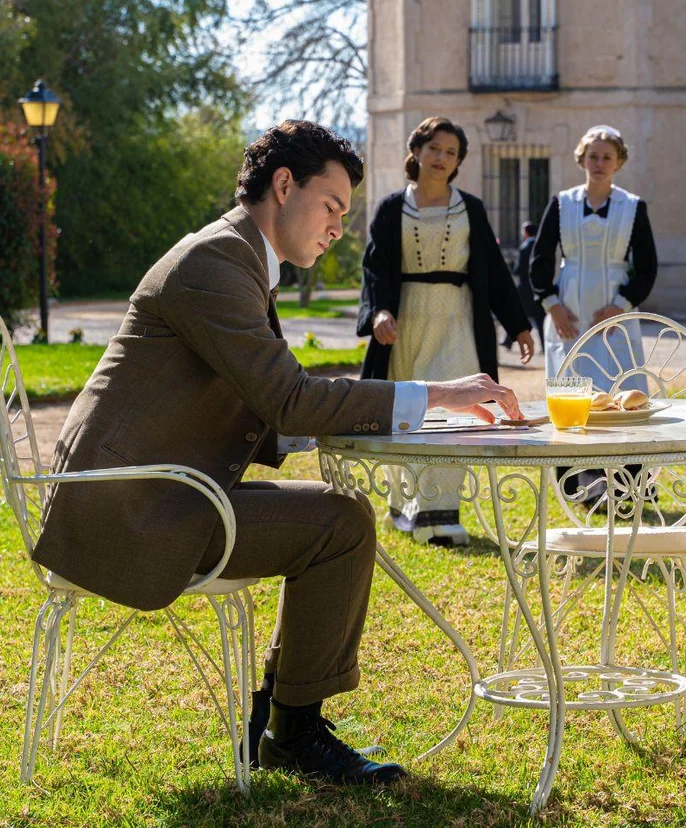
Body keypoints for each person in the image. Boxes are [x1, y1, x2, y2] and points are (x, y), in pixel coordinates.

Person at [32, 120, 523, 785]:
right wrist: (436, 395)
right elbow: (290, 399)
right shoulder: (214, 265)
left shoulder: (235, 257)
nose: (338, 228)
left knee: (339, 513)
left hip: (160, 487)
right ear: (284, 185)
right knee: (340, 524)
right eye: (331, 206)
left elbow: (274, 397)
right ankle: (290, 732)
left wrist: (358, 416)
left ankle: (279, 718)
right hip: (129, 510)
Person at [358, 116, 533, 546]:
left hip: (459, 321)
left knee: (457, 410)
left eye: (450, 152)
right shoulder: (391, 208)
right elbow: (375, 268)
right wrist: (379, 313)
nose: (441, 157)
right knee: (408, 412)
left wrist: (519, 325)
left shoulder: (471, 208)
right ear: (416, 151)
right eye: (434, 148)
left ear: (458, 162)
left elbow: (494, 272)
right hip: (407, 325)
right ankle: (406, 508)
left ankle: (442, 515)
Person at [530, 125, 657, 502]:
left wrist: (621, 304)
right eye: (593, 156)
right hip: (570, 311)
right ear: (581, 160)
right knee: (572, 393)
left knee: (622, 390)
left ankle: (630, 488)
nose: (599, 163)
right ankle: (577, 488)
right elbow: (540, 259)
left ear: (619, 162)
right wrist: (552, 305)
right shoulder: (561, 204)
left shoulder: (633, 207)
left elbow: (647, 266)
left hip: (615, 314)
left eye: (607, 157)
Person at [502, 220, 544, 351]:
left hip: (524, 289)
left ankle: (508, 342)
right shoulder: (540, 246)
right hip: (537, 288)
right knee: (540, 319)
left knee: (516, 316)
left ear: (526, 233)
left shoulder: (524, 248)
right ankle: (544, 345)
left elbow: (518, 270)